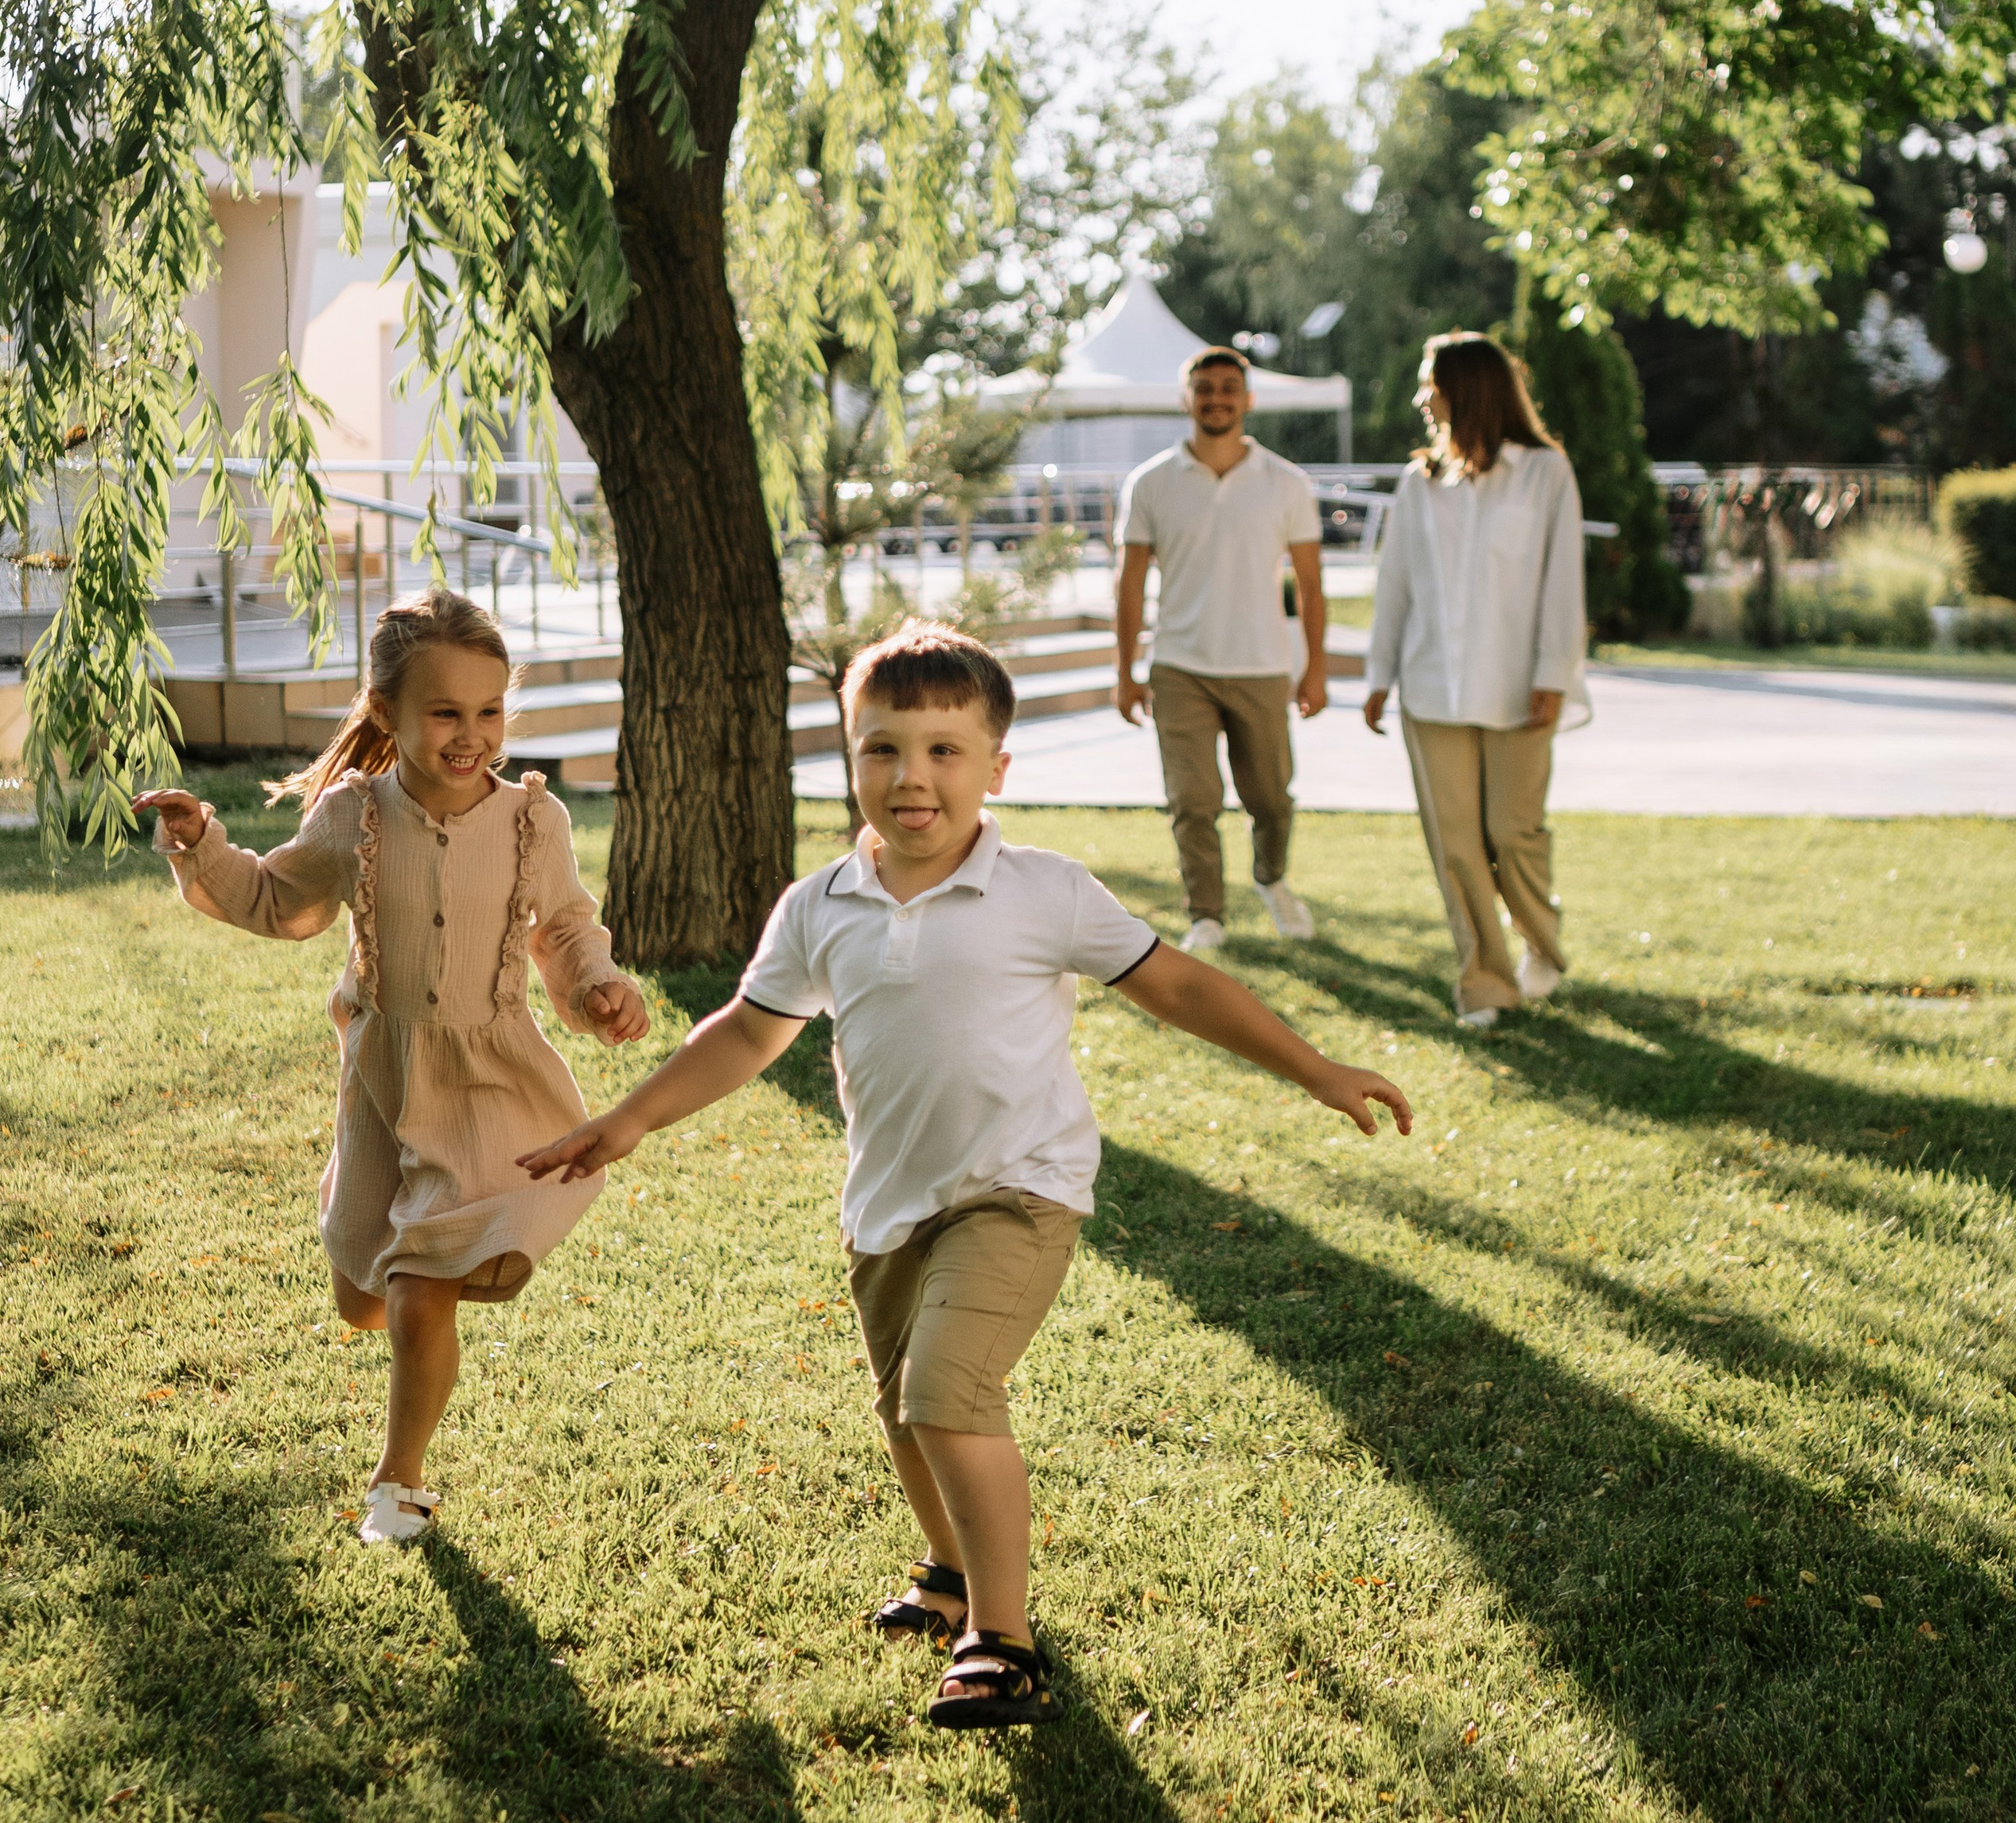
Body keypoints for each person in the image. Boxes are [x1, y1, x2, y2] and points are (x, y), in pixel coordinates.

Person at [521, 620, 1411, 1733]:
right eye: (883, 748)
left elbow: (1178, 987)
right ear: (849, 759)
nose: (912, 777)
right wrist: (629, 1118)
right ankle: (948, 1576)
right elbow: (749, 1033)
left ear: (997, 769)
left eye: (945, 751)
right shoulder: (820, 905)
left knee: (948, 1390)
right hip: (889, 1203)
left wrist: (1317, 1069)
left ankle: (1006, 1640)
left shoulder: (1043, 891)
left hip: (1016, 1189)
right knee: (905, 1409)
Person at [133, 586, 649, 1544]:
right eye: (446, 712)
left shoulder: (535, 824)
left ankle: (397, 1484)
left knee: (417, 1297)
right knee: (362, 1295)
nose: (471, 734)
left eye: (489, 712)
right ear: (386, 715)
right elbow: (279, 901)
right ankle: (390, 1242)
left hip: (492, 1083)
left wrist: (596, 989)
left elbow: (567, 931)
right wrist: (202, 844)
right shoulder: (355, 816)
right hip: (384, 1081)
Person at [1362, 331, 1588, 1029]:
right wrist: (1378, 676)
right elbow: (1394, 584)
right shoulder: (1420, 483)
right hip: (1430, 691)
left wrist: (1553, 673)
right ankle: (1485, 984)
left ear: (1468, 388)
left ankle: (1542, 948)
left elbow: (1562, 583)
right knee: (1455, 846)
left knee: (1513, 833)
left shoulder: (1545, 473)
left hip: (1521, 688)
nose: (1421, 396)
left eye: (1431, 381)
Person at [1114, 344, 1328, 951]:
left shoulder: (1286, 482)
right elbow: (1130, 584)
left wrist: (1314, 670)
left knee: (1271, 800)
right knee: (1193, 799)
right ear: (1186, 399)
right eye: (1204, 388)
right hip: (1180, 666)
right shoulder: (1150, 483)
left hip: (1262, 665)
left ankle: (1272, 880)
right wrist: (1124, 672)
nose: (1216, 398)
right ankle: (1205, 914)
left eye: (1228, 388)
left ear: (1248, 399)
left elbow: (1310, 586)